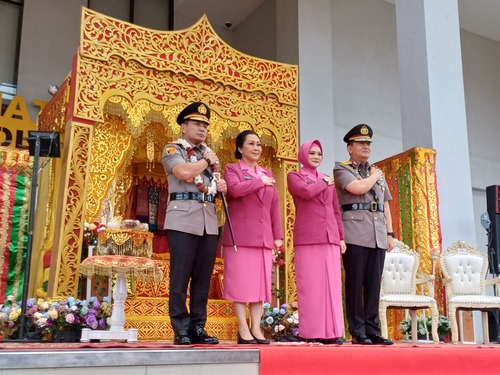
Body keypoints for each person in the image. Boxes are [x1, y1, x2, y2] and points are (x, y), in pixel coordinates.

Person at [161, 101, 227, 345]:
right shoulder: (173, 149)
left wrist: (221, 187)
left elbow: (210, 184)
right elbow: (184, 173)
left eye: (205, 126)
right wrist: (207, 162)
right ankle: (180, 328)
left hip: (208, 221)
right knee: (180, 277)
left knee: (202, 278)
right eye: (197, 124)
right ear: (183, 127)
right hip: (182, 219)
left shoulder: (206, 154)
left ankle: (198, 327)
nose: (202, 129)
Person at [333, 124, 394, 345]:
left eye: (368, 143)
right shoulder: (342, 169)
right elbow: (357, 189)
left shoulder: (375, 171)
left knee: (373, 284)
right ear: (350, 148)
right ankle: (357, 330)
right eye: (360, 143)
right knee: (355, 283)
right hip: (355, 232)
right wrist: (375, 175)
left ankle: (372, 329)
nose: (366, 147)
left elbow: (385, 204)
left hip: (377, 233)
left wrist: (390, 232)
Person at [222, 130, 283, 345]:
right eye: (251, 144)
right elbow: (235, 190)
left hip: (263, 237)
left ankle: (256, 327)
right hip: (240, 236)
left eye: (258, 144)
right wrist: (259, 181)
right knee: (240, 284)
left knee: (260, 286)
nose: (256, 148)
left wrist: (278, 235)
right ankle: (242, 326)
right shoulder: (232, 169)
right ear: (240, 149)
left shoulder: (267, 173)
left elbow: (274, 206)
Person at [287, 140, 346, 344]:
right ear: (303, 155)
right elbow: (305, 192)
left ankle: (332, 332)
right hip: (308, 237)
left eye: (319, 153)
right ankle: (311, 331)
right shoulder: (294, 176)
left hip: (329, 236)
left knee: (331, 285)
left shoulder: (326, 179)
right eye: (312, 153)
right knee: (311, 285)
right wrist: (325, 183)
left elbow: (335, 210)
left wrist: (341, 237)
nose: (316, 156)